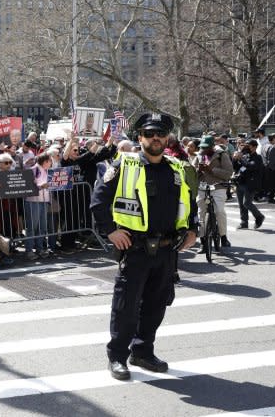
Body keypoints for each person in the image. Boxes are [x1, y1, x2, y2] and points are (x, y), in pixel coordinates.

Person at [90, 112, 197, 381]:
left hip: (166, 250)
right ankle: (117, 356)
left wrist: (193, 230)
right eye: (149, 134)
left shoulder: (176, 169)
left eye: (160, 134)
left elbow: (190, 203)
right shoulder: (124, 164)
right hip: (136, 249)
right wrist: (111, 231)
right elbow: (98, 202)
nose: (156, 138)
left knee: (155, 305)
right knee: (126, 306)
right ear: (140, 137)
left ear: (167, 138)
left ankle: (143, 351)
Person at [194, 135, 234, 253]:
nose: (204, 150)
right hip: (202, 187)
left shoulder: (222, 155)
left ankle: (223, 237)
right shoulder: (198, 155)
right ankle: (202, 241)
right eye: (202, 147)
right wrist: (198, 170)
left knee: (219, 211)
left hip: (218, 186)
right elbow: (191, 173)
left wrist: (211, 170)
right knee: (200, 213)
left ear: (212, 146)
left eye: (206, 147)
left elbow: (228, 173)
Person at [232, 139, 265, 230]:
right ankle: (244, 222)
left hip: (250, 184)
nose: (246, 147)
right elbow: (235, 167)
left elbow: (251, 166)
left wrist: (241, 158)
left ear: (254, 147)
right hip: (240, 182)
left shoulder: (257, 157)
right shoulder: (245, 156)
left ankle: (259, 216)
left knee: (247, 203)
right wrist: (235, 159)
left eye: (249, 146)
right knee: (241, 204)